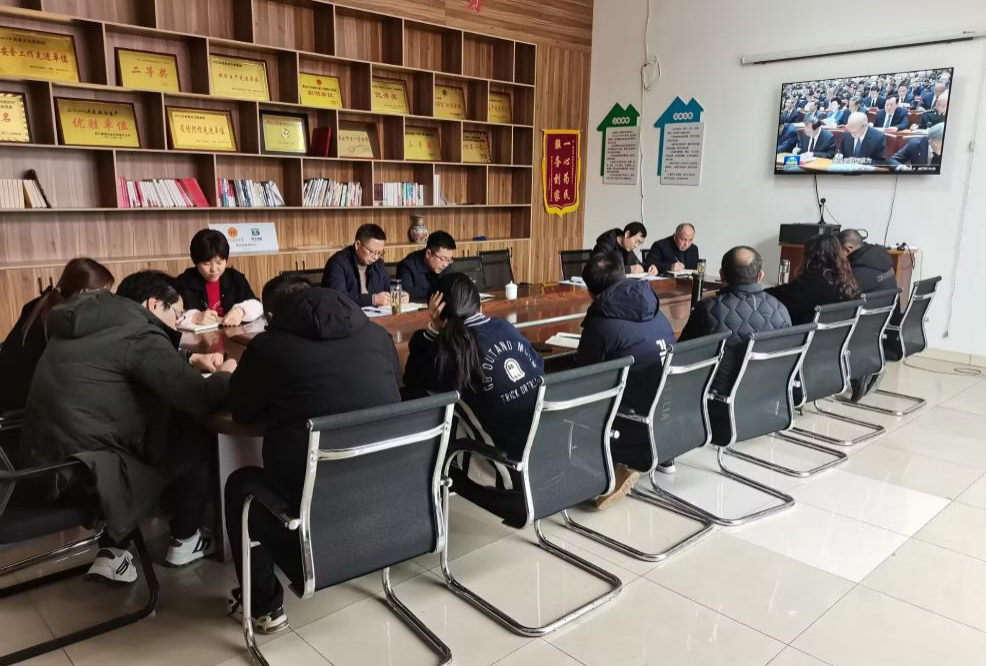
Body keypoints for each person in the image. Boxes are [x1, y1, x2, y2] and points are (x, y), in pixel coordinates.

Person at [21, 271, 236, 583]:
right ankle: (185, 538)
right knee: (194, 432)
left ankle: (115, 548)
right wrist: (227, 372)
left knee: (160, 423)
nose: (177, 324)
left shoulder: (87, 320)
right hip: (86, 472)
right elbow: (199, 397)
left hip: (39, 460)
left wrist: (187, 360)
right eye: (176, 314)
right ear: (153, 304)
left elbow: (117, 363)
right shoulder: (140, 332)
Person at [224, 275, 402, 634]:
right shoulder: (377, 335)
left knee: (241, 485)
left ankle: (266, 607)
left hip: (312, 510)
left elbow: (241, 410)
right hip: (388, 501)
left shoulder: (269, 347)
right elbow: (392, 386)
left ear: (272, 316)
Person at [404, 272, 544, 488]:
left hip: (504, 470)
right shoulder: (504, 327)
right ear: (479, 304)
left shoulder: (448, 353)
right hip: (542, 454)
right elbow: (540, 365)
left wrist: (432, 328)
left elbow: (413, 379)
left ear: (437, 310)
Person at [575, 252, 675, 507]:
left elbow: (584, 379)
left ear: (590, 292)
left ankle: (607, 470)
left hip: (633, 420)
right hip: (670, 410)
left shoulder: (600, 324)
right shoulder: (654, 307)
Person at [0, 258, 114, 413]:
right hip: (24, 409)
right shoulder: (68, 320)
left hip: (9, 399)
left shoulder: (39, 304)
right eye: (104, 294)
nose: (107, 301)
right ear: (84, 292)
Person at [679, 247, 791, 396]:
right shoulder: (780, 308)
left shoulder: (707, 309)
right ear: (760, 276)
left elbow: (681, 357)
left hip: (718, 397)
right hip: (770, 395)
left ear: (721, 275)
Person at [176, 229, 263, 328]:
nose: (214, 269)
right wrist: (194, 317)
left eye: (219, 262)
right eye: (207, 264)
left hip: (232, 334)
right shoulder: (183, 282)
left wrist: (241, 311)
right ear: (196, 262)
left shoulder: (235, 278)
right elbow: (169, 313)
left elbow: (257, 305)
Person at [767, 235, 860, 324]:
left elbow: (779, 295)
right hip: (834, 333)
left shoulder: (810, 283)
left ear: (809, 256)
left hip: (801, 332)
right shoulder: (846, 281)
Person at [323, 223, 406, 307]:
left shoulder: (378, 264)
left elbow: (389, 288)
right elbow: (338, 298)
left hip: (377, 313)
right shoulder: (337, 263)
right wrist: (372, 300)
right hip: (347, 314)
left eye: (379, 253)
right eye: (372, 252)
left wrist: (400, 295)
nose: (375, 257)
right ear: (357, 245)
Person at [396, 230, 456, 300]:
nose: (445, 264)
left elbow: (454, 289)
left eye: (449, 259)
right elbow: (404, 293)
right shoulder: (407, 265)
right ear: (428, 253)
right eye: (442, 259)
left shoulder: (446, 265)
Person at [838, 229, 895, 293]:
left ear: (848, 249)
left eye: (838, 251)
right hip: (890, 299)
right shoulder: (885, 261)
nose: (838, 255)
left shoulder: (854, 275)